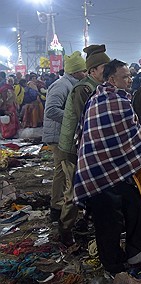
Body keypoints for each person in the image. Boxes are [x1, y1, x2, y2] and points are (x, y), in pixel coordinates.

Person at [73, 59, 141, 276]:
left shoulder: (107, 97)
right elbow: (134, 138)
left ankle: (135, 251)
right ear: (112, 80)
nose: (130, 79)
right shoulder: (111, 100)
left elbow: (128, 137)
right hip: (97, 171)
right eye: (125, 77)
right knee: (108, 221)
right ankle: (112, 266)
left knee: (134, 202)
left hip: (111, 168)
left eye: (130, 75)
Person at [58, 44, 110, 246]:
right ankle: (65, 230)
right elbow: (85, 123)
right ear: (92, 71)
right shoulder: (83, 89)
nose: (108, 71)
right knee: (73, 192)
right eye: (104, 68)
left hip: (90, 148)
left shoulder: (98, 87)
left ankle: (86, 223)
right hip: (74, 149)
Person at [42, 51, 87, 224]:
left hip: (63, 134)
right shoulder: (62, 85)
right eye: (83, 71)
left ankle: (60, 205)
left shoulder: (71, 84)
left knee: (64, 171)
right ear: (76, 72)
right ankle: (57, 207)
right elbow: (51, 110)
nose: (85, 74)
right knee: (62, 171)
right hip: (58, 135)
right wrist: (71, 118)